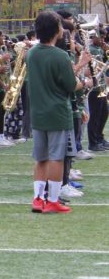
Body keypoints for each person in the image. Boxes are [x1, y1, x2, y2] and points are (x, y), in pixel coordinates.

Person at [28, 11, 89, 214]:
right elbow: (71, 85)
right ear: (55, 30)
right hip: (57, 112)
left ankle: (38, 198)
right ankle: (53, 199)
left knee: (41, 158)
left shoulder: (32, 53)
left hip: (38, 112)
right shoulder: (60, 55)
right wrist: (85, 82)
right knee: (56, 158)